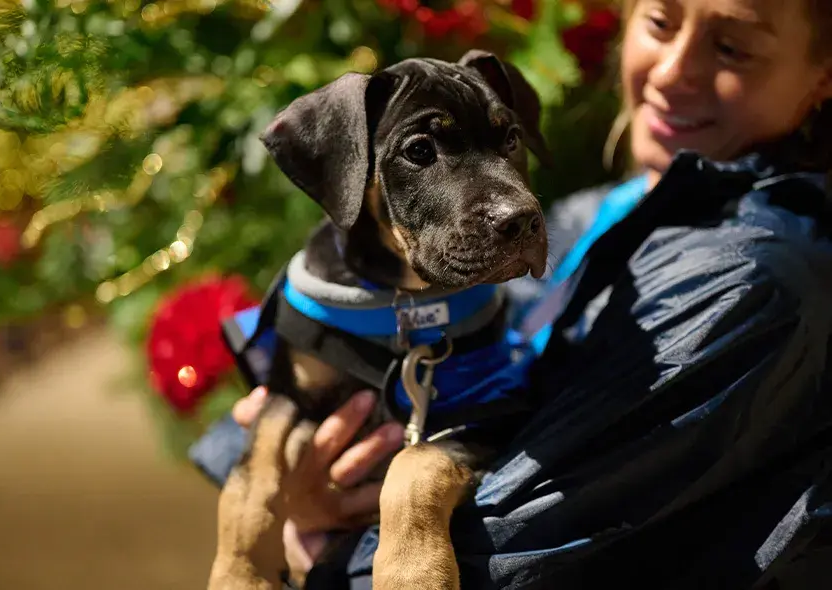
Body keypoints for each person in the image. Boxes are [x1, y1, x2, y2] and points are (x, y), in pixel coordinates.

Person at [216, 0, 832, 587]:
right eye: (660, 22)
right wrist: (289, 497)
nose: (674, 71)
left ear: (822, 76)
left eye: (732, 47)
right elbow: (257, 426)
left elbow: (516, 544)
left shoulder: (750, 279)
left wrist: (328, 543)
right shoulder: (585, 219)